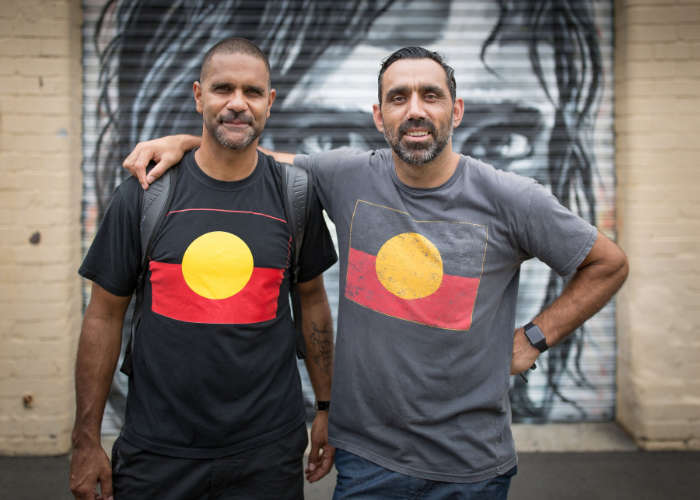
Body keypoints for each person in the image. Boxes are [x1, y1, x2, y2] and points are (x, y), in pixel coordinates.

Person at [123, 45, 628, 498]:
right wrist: (189, 142)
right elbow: (253, 157)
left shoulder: (511, 197)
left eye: (430, 96)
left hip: (472, 465)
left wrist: (533, 339)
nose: (415, 111)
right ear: (378, 115)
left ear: (456, 110)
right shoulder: (345, 175)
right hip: (369, 461)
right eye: (398, 97)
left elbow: (606, 264)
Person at [70, 37, 338, 500]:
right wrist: (86, 439)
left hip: (266, 451)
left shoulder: (295, 196)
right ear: (198, 96)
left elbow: (312, 300)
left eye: (252, 92)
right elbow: (103, 315)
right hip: (158, 451)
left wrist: (327, 407)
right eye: (222, 89)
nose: (237, 103)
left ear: (270, 103)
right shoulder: (145, 195)